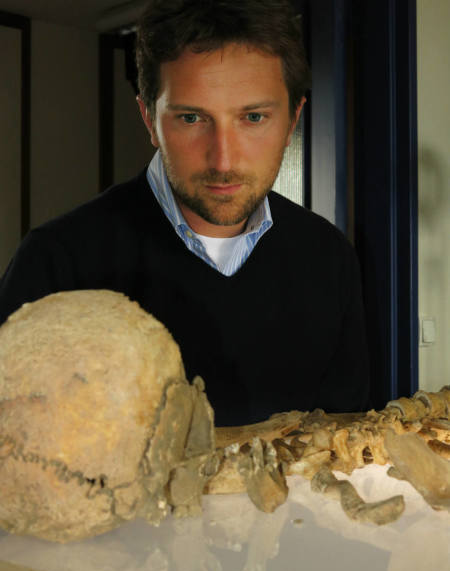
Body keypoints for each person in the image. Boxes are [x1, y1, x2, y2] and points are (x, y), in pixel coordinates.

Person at [0, 0, 369, 426]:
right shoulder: (57, 263)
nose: (224, 160)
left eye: (253, 117)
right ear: (150, 120)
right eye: (192, 118)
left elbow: (342, 447)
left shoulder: (329, 258)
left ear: (291, 122)